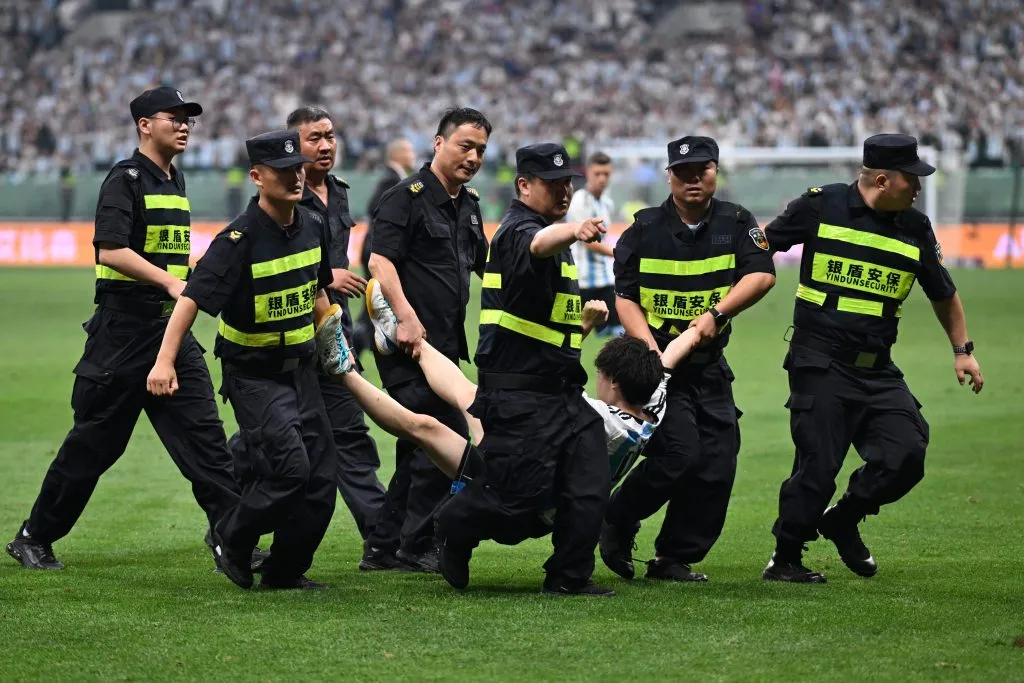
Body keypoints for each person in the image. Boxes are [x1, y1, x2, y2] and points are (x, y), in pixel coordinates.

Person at [6, 87, 241, 571]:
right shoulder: (125, 179)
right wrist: (171, 282)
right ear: (144, 125)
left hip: (170, 330)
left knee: (206, 442)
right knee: (95, 446)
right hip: (123, 334)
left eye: (188, 120)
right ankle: (34, 536)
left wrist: (189, 274)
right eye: (174, 118)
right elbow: (110, 250)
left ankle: (233, 539)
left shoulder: (175, 179)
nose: (184, 127)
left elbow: (160, 252)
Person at [761, 134, 985, 583]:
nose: (918, 188)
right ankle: (785, 557)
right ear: (882, 180)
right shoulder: (820, 206)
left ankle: (844, 517)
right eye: (911, 179)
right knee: (818, 466)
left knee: (907, 455)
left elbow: (943, 293)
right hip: (819, 362)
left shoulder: (916, 227)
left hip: (878, 369)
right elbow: (759, 247)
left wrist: (962, 351)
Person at [318, 291, 699, 529]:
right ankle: (405, 338)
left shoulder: (597, 421)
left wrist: (584, 325)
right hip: (532, 464)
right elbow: (674, 353)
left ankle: (341, 368)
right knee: (472, 397)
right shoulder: (652, 405)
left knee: (425, 427)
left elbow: (549, 380)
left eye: (600, 375)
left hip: (524, 497)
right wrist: (708, 321)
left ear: (614, 384)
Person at [147, 129, 337, 591]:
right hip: (254, 376)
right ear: (256, 176)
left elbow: (316, 289)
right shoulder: (238, 239)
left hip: (303, 371)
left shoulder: (314, 223)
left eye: (298, 169)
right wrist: (164, 362)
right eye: (283, 171)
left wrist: (335, 344)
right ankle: (232, 537)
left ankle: (284, 571)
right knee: (291, 470)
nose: (295, 178)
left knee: (321, 479)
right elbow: (191, 300)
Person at [433, 142, 614, 596]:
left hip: (560, 394)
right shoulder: (519, 231)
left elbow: (543, 328)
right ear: (524, 186)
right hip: (519, 399)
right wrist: (573, 230)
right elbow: (535, 245)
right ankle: (454, 524)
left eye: (567, 184)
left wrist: (584, 325)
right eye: (552, 184)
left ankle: (569, 576)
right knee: (518, 502)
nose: (563, 191)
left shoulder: (551, 234)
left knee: (590, 479)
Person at [600, 136, 776, 583]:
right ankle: (617, 518)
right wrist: (652, 355)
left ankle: (672, 558)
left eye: (702, 170)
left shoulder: (737, 221)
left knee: (717, 462)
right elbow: (625, 298)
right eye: (683, 172)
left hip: (709, 365)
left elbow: (761, 275)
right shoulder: (643, 228)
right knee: (678, 453)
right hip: (657, 366)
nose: (693, 179)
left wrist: (717, 315)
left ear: (716, 171)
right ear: (669, 177)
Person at [363, 108, 490, 572]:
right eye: (465, 146)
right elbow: (379, 261)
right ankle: (417, 544)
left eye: (480, 150)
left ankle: (382, 547)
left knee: (419, 443)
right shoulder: (405, 198)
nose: (473, 157)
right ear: (438, 143)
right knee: (445, 436)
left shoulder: (468, 204)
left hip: (446, 348)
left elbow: (486, 266)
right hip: (408, 344)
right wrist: (407, 318)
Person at [286, 106, 387, 548]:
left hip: (335, 332)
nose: (326, 145)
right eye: (314, 138)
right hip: (292, 337)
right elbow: (279, 262)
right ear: (293, 146)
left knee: (350, 434)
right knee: (277, 437)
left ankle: (381, 540)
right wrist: (328, 277)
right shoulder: (284, 196)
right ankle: (229, 523)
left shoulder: (339, 193)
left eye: (330, 136)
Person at [353, 138, 417, 355]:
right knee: (376, 302)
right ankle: (356, 344)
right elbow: (374, 207)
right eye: (409, 151)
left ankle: (362, 343)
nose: (413, 155)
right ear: (398, 154)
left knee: (375, 303)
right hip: (377, 250)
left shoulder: (393, 177)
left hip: (374, 247)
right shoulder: (391, 179)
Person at [568, 151, 620, 337]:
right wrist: (617, 253)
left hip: (604, 278)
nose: (602, 178)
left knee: (616, 333)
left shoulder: (607, 203)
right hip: (582, 280)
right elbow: (588, 241)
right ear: (588, 173)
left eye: (606, 174)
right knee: (576, 333)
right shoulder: (579, 200)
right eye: (597, 173)